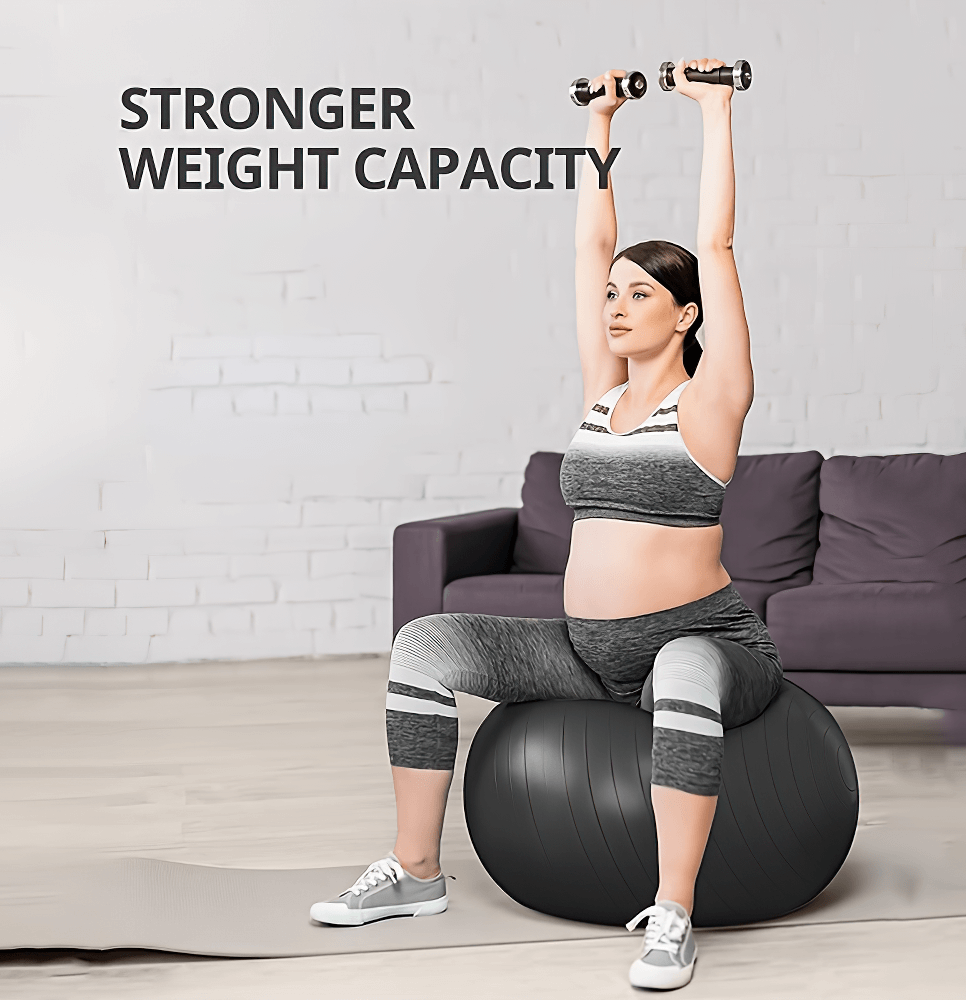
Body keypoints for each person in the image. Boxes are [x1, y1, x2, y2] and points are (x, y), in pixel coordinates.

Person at [309, 58, 783, 992]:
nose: (615, 305)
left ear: (687, 317)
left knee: (683, 668)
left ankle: (674, 912)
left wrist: (715, 113)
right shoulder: (601, 398)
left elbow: (718, 246)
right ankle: (413, 873)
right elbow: (584, 249)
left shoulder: (711, 401)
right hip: (586, 648)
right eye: (612, 294)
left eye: (640, 294)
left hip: (703, 640)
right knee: (423, 646)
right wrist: (599, 126)